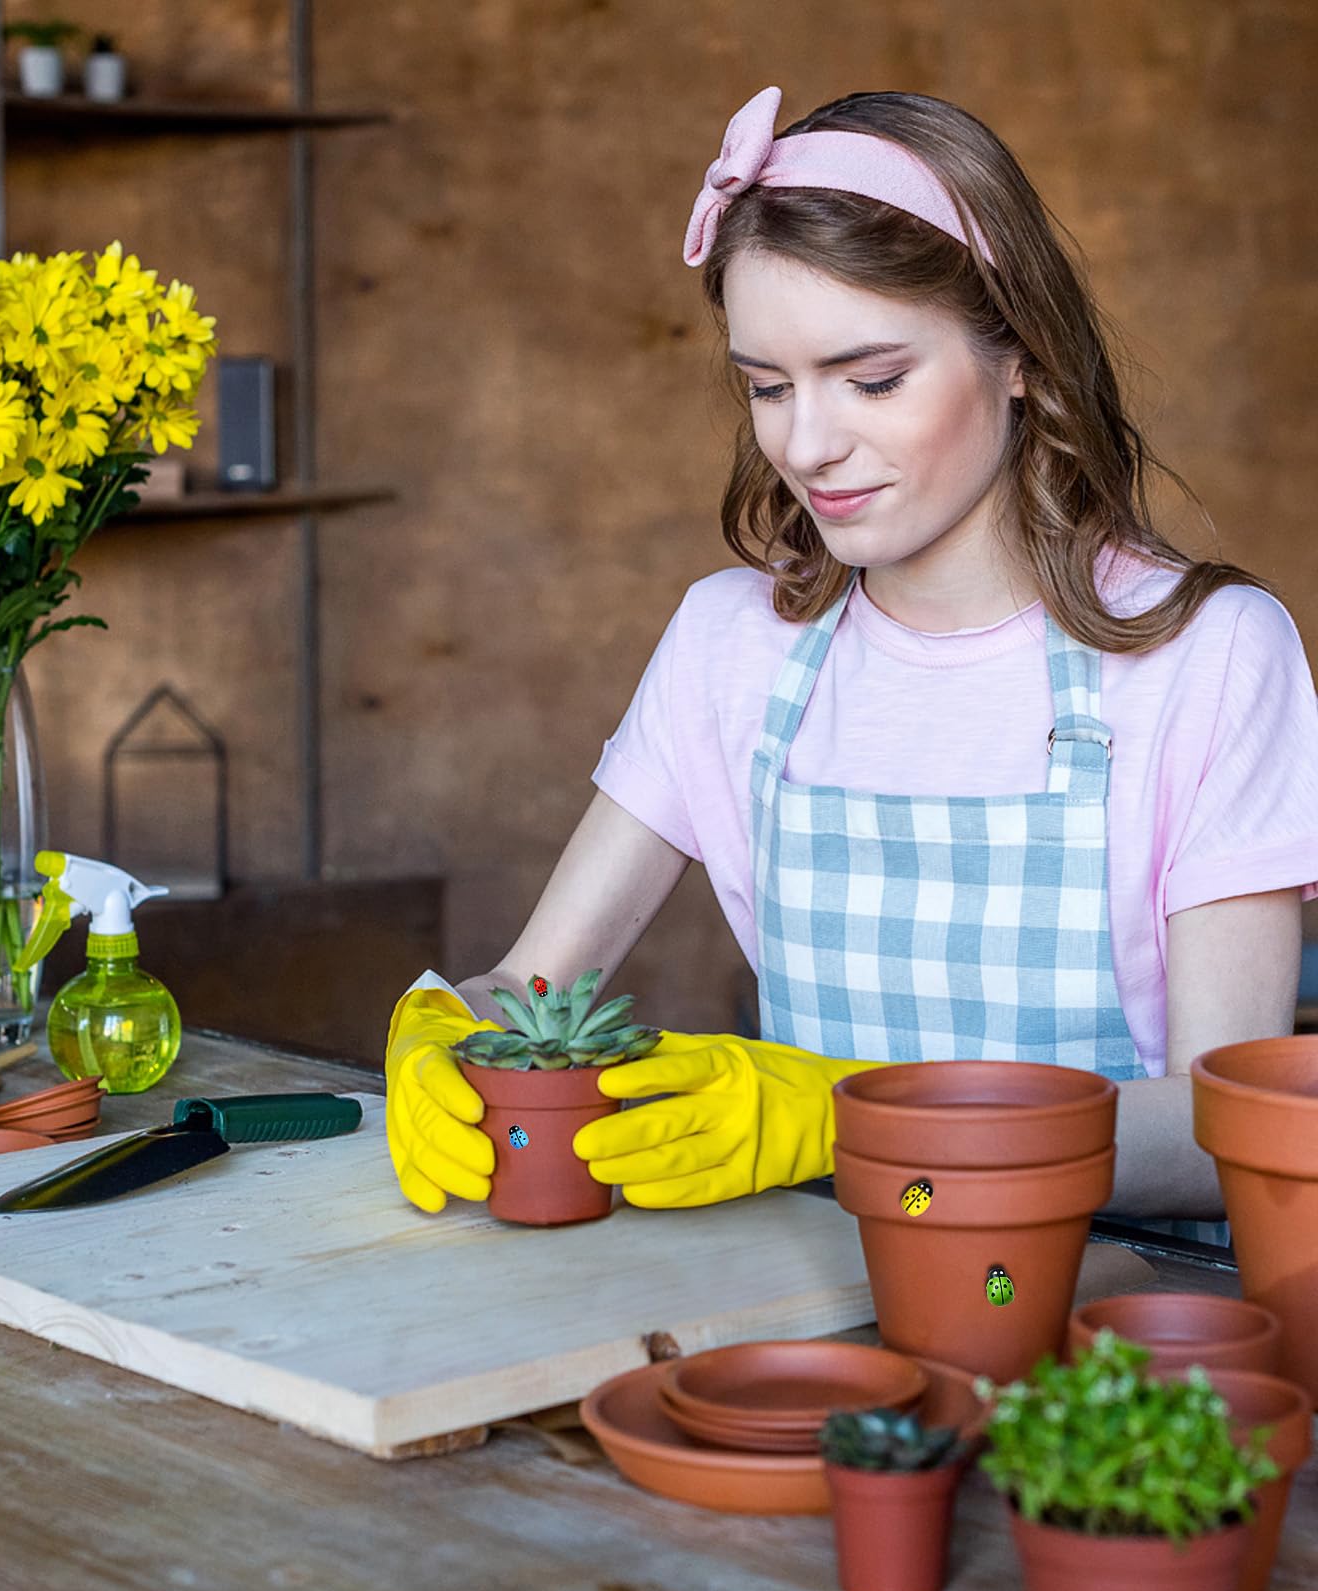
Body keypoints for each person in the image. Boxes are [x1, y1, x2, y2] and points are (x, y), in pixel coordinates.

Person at [384, 86, 1318, 1246]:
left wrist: (844, 1118)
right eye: (767, 387)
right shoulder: (730, 645)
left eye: (872, 380)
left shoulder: (1206, 652)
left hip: (1103, 1308)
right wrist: (436, 1031)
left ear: (1019, 354)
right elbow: (527, 985)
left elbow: (1222, 1136)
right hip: (821, 1289)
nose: (808, 444)